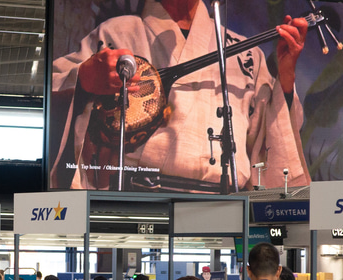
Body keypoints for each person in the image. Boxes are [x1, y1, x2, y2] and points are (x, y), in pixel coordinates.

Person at [50, 0, 310, 192]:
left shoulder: (244, 52)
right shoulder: (118, 33)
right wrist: (86, 77)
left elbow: (270, 136)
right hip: (138, 192)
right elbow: (55, 86)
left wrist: (286, 78)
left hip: (223, 201)